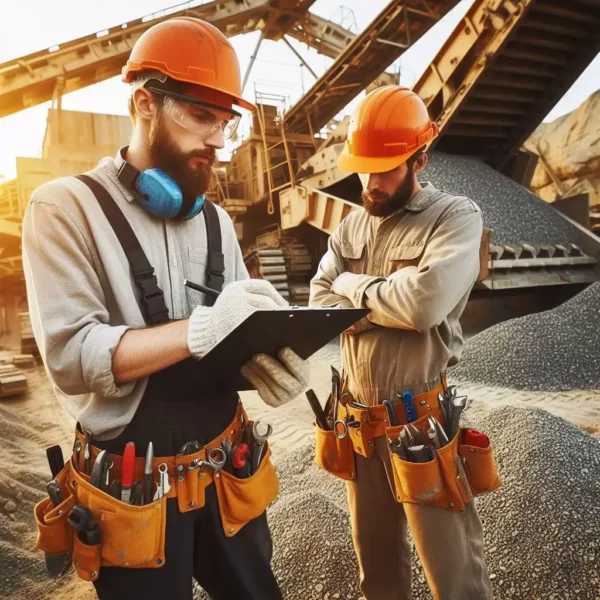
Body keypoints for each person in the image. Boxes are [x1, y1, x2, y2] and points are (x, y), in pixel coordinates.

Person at [23, 17, 310, 600]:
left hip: (228, 471)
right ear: (144, 102)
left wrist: (268, 359)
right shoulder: (64, 208)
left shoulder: (215, 221)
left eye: (224, 121)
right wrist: (201, 329)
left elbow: (233, 333)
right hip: (133, 497)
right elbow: (73, 357)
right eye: (200, 116)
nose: (218, 138)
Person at [309, 85, 494, 600]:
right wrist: (382, 304)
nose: (370, 181)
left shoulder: (455, 217)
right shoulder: (349, 227)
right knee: (378, 571)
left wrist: (352, 290)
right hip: (359, 427)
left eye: (385, 167)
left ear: (419, 161)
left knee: (452, 576)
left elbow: (423, 305)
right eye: (364, 167)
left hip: (421, 428)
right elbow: (317, 306)